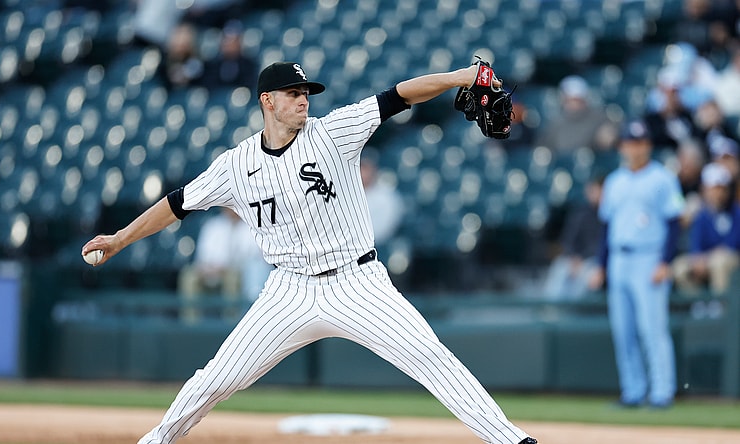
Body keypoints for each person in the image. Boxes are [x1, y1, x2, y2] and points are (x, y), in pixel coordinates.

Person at [82, 61, 537, 444]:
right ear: (268, 101)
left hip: (357, 283)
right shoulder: (236, 165)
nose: (304, 100)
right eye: (293, 92)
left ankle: (512, 440)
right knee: (217, 377)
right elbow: (176, 205)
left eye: (306, 92)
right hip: (288, 291)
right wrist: (119, 239)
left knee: (432, 359)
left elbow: (398, 95)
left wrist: (462, 76)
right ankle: (157, 440)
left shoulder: (334, 132)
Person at [589, 119, 685, 409]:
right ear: (623, 146)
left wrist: (666, 261)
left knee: (652, 328)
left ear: (648, 146)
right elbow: (607, 228)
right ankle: (632, 391)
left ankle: (661, 393)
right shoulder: (615, 181)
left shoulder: (662, 178)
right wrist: (601, 265)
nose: (634, 148)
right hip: (619, 258)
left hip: (649, 257)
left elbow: (675, 222)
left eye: (639, 142)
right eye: (630, 142)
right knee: (624, 330)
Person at [177, 207, 273, 322]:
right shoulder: (213, 225)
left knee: (232, 278)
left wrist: (224, 268)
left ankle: (230, 322)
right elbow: (203, 255)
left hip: (235, 271)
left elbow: (250, 257)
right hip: (210, 269)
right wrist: (209, 268)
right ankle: (190, 323)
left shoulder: (250, 227)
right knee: (189, 276)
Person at [672, 162, 740, 295]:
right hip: (707, 258)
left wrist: (710, 256)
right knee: (679, 267)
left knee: (718, 262)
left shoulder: (736, 212)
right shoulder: (701, 214)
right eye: (712, 188)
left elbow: (733, 243)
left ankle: (720, 306)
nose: (716, 193)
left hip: (731, 257)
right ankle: (698, 306)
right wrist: (697, 258)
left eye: (719, 188)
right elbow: (696, 241)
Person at [542, 175, 604, 301]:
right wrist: (573, 258)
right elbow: (568, 240)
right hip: (575, 259)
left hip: (595, 261)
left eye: (598, 190)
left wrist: (582, 260)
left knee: (586, 275)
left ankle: (572, 313)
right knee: (560, 268)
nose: (594, 194)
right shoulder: (581, 213)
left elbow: (602, 246)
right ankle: (550, 310)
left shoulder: (609, 215)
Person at [534, 75, 618, 153]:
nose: (573, 104)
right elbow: (543, 148)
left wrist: (609, 135)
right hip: (561, 166)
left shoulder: (598, 118)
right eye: (569, 100)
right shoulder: (555, 123)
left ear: (585, 100)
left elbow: (612, 134)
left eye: (577, 100)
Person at [360, 148, 403, 247]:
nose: (362, 172)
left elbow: (382, 231)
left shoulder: (386, 196)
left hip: (374, 248)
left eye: (365, 168)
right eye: (360, 167)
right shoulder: (341, 190)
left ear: (374, 169)